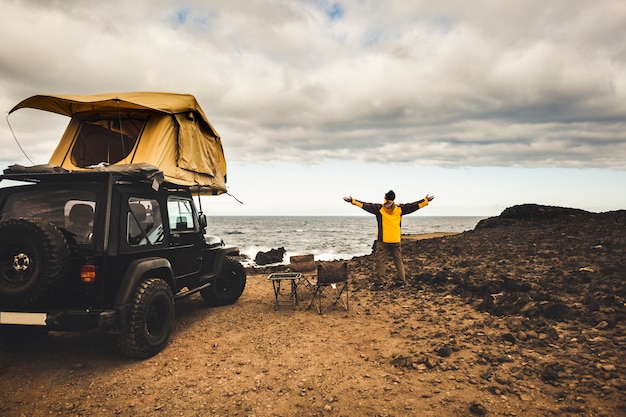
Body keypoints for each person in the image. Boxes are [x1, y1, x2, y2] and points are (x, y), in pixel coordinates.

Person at [343, 190, 434, 287]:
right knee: (398, 261)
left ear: (385, 198)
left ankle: (381, 282)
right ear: (393, 198)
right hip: (396, 239)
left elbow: (365, 205)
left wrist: (353, 200)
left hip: (383, 240)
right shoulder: (400, 209)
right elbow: (413, 206)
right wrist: (425, 200)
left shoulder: (379, 209)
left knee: (381, 261)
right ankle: (401, 282)